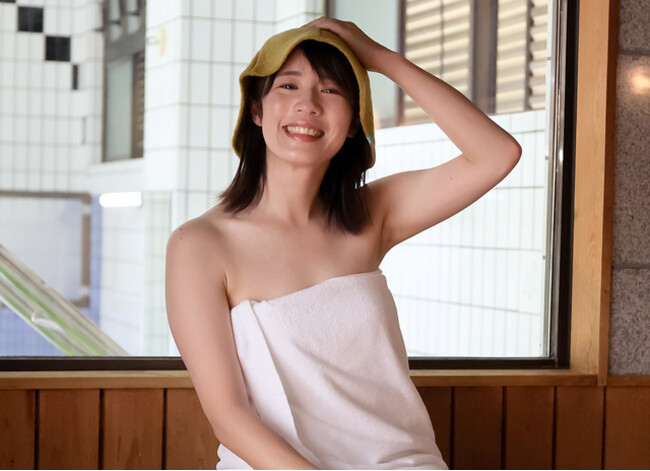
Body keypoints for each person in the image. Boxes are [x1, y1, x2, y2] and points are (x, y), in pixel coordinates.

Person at [165, 17, 521, 470]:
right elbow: (229, 416)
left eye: (331, 90)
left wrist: (384, 60)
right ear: (256, 110)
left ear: (354, 122)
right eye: (288, 86)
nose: (308, 105)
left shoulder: (373, 216)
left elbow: (497, 154)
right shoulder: (199, 245)